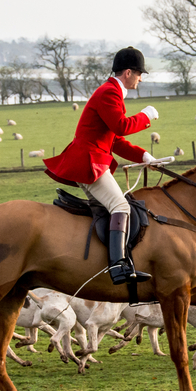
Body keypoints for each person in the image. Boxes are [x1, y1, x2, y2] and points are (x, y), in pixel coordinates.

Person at [44, 46, 159, 285]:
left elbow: (114, 140)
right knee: (121, 207)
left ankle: (96, 263)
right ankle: (119, 266)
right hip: (89, 162)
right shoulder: (109, 93)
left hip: (90, 160)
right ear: (128, 72)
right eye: (139, 73)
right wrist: (146, 116)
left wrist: (145, 156)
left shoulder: (112, 92)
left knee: (108, 208)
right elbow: (121, 126)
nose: (140, 78)